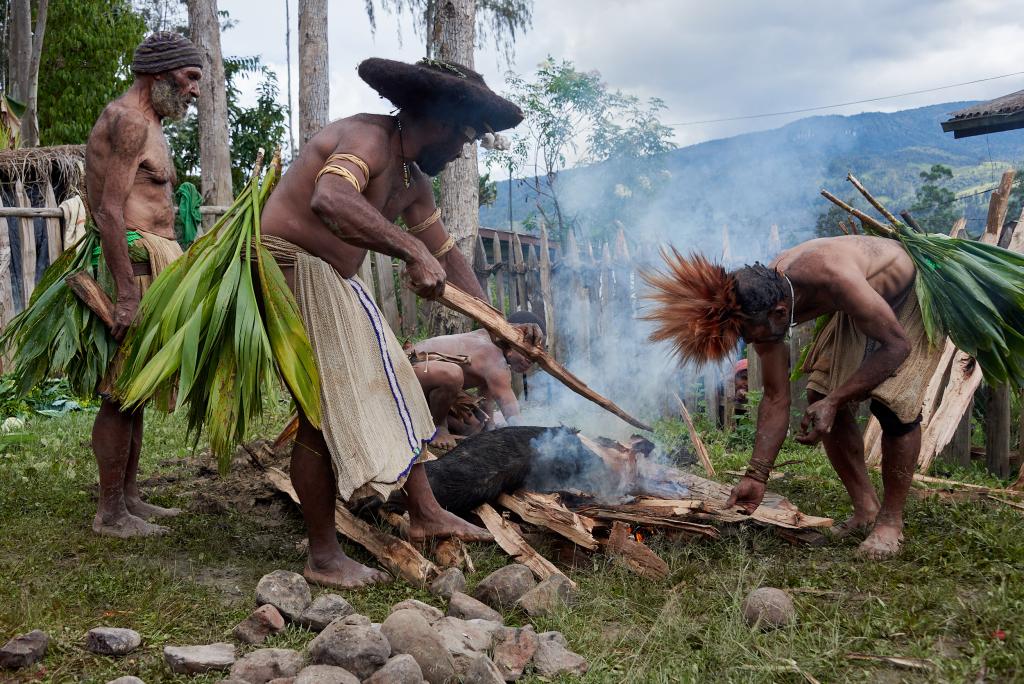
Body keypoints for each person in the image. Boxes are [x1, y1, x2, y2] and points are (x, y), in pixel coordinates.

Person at [259, 58, 542, 588]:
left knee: (399, 388)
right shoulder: (367, 137)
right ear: (437, 116)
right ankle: (323, 556)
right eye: (465, 133)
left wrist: (498, 326)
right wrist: (407, 248)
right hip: (288, 268)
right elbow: (330, 198)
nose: (463, 149)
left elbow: (449, 257)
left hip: (333, 283)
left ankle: (425, 511)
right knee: (323, 411)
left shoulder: (413, 181)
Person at [642, 236, 946, 559]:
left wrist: (835, 402)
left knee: (895, 410)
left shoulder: (834, 277)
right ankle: (866, 509)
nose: (748, 343)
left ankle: (890, 522)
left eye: (749, 335)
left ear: (779, 312)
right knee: (820, 393)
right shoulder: (756, 305)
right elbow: (775, 396)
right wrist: (756, 475)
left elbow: (897, 347)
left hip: (908, 297)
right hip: (860, 304)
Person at [85, 32, 203, 537]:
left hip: (152, 263)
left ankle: (129, 497)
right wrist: (127, 292)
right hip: (130, 265)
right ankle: (110, 513)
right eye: (191, 78)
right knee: (118, 391)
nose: (195, 91)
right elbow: (109, 211)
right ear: (161, 76)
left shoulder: (149, 122)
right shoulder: (130, 121)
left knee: (134, 389)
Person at [410, 310, 545, 447]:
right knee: (453, 374)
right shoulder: (493, 355)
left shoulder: (493, 349)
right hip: (406, 377)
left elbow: (487, 397)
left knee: (474, 425)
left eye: (534, 356)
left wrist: (490, 428)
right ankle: (438, 428)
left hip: (420, 385)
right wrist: (527, 439)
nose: (531, 360)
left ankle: (444, 423)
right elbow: (510, 409)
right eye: (528, 350)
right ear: (512, 341)